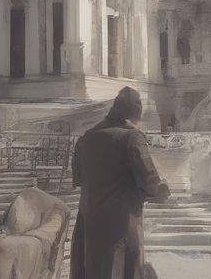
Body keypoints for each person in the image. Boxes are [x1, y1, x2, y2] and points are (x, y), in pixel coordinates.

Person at [70, 87, 170, 279]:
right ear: (135, 111)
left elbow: (79, 178)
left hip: (89, 222)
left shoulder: (86, 138)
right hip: (121, 226)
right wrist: (162, 189)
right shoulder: (132, 138)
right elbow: (150, 181)